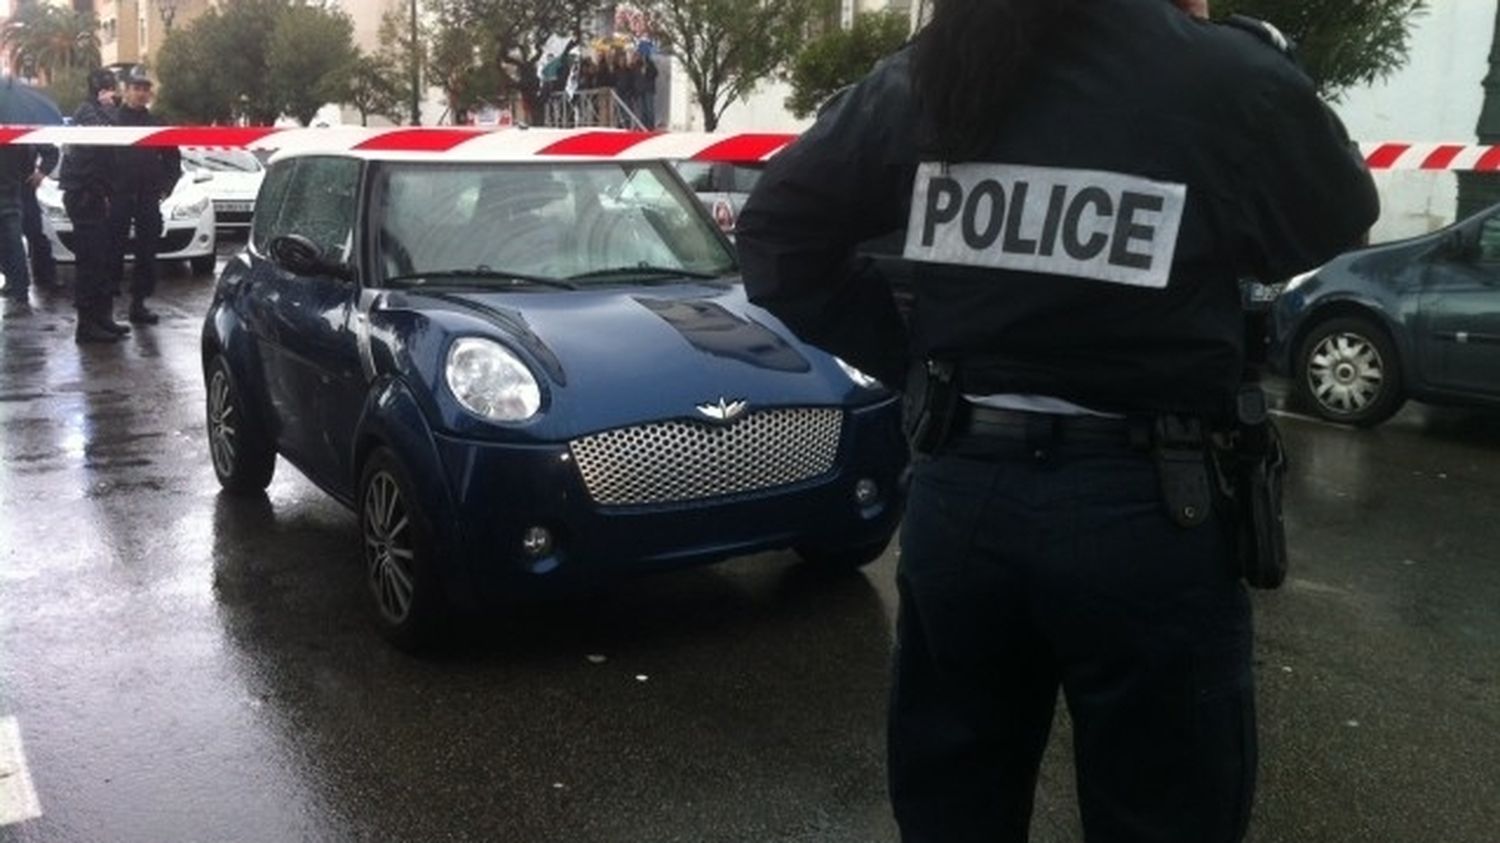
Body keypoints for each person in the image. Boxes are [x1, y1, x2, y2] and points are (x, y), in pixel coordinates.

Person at [735, 1, 1379, 841]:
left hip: (962, 499)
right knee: (1165, 808)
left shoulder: (936, 71)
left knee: (954, 807)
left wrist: (921, 363)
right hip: (1147, 510)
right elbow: (1333, 211)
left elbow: (781, 232)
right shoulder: (1220, 75)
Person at [107, 66, 180, 325]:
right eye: (136, 88)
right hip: (119, 195)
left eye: (145, 89)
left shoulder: (157, 124)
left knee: (147, 252)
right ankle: (107, 310)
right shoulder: (113, 121)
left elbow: (173, 158)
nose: (140, 93)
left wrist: (166, 186)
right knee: (112, 249)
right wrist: (106, 190)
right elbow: (102, 159)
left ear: (150, 94)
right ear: (126, 91)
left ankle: (139, 304)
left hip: (148, 196)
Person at [59, 66, 126, 343]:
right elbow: (105, 136)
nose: (114, 92)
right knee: (90, 262)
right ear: (97, 90)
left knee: (103, 261)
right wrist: (109, 109)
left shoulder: (98, 111)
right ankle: (86, 326)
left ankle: (102, 317)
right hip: (84, 195)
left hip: (99, 195)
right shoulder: (87, 112)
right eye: (108, 88)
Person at [0, 143, 35, 308]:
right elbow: (27, 159)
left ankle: (14, 283)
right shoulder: (12, 133)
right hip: (11, 188)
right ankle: (20, 287)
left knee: (7, 243)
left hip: (9, 188)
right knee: (14, 242)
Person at [21, 144, 59, 289]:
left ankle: (45, 277)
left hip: (22, 184)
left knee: (35, 232)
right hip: (19, 184)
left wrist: (42, 172)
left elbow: (51, 151)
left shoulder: (24, 124)